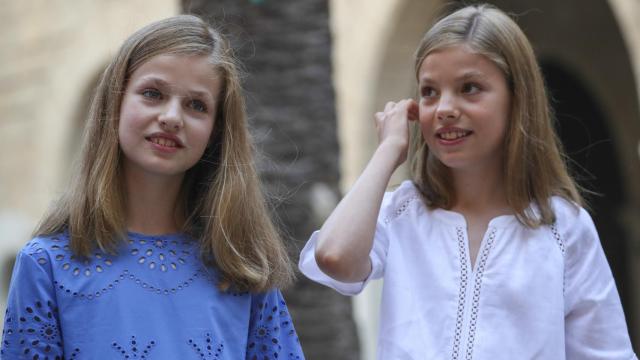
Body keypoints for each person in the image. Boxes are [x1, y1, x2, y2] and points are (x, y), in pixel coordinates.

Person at [299, 4, 636, 359]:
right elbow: (334, 257)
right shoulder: (402, 212)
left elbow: (607, 353)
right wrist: (388, 152)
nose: (444, 107)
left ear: (517, 100)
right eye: (429, 91)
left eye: (469, 88)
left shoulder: (563, 228)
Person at [1, 15, 304, 360]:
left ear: (216, 132)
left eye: (196, 105)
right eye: (152, 94)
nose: (172, 117)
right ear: (114, 104)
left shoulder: (242, 271)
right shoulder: (46, 267)